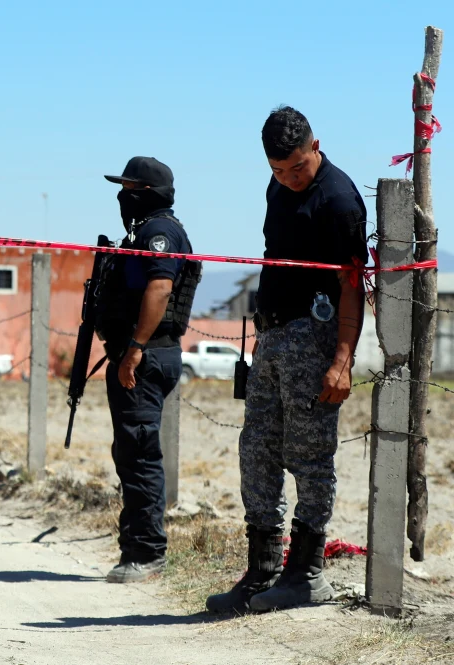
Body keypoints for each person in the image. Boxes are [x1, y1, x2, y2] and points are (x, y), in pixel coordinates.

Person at [207, 107, 367, 613]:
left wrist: (343, 359)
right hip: (272, 336)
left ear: (316, 146)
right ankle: (261, 572)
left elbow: (351, 285)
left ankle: (305, 574)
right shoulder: (277, 188)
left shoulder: (339, 200)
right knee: (257, 450)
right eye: (278, 170)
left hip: (314, 338)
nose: (289, 179)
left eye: (297, 168)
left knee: (309, 457)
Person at [95, 157, 199, 583]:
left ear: (146, 193)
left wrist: (135, 348)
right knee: (130, 453)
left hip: (146, 355)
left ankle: (147, 554)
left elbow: (160, 287)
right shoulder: (146, 231)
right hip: (140, 353)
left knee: (139, 454)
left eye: (129, 188)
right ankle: (133, 550)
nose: (123, 196)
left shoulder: (159, 233)